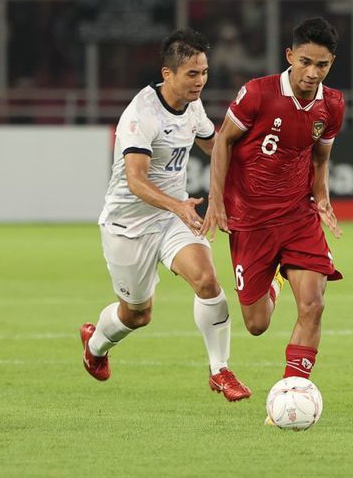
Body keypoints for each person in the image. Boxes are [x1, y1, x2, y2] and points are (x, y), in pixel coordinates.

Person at [79, 28, 251, 402]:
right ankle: (94, 346)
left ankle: (220, 370)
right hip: (129, 225)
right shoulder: (141, 115)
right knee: (137, 314)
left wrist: (253, 175)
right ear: (167, 73)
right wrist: (178, 204)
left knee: (207, 280)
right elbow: (136, 180)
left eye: (204, 72)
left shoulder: (193, 105)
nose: (200, 81)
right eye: (192, 73)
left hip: (174, 217)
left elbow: (215, 144)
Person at [201, 17, 345, 399]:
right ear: (289, 56)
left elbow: (320, 158)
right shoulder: (258, 94)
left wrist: (323, 197)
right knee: (256, 323)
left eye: (322, 65)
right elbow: (222, 143)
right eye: (305, 62)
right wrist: (216, 201)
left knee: (313, 305)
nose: (312, 73)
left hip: (298, 216)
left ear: (332, 64)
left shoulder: (332, 105)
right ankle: (276, 280)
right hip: (250, 221)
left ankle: (293, 392)